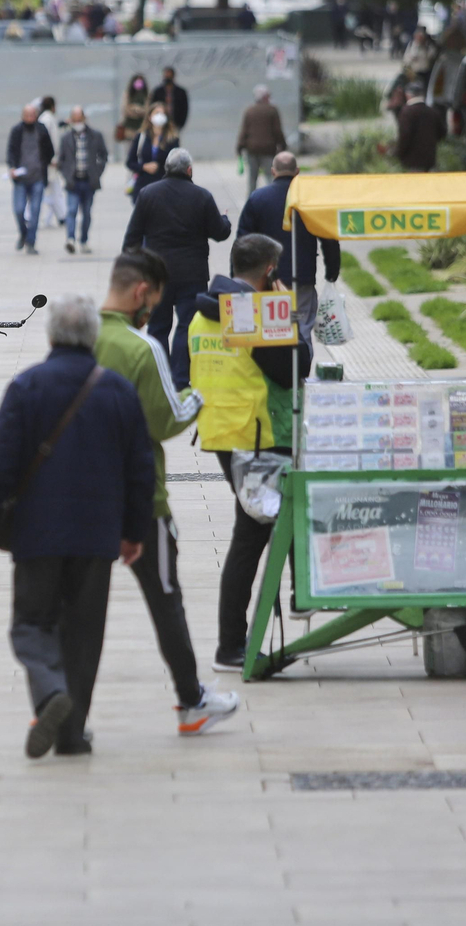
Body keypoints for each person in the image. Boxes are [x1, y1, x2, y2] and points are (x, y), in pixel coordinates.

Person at [0, 294, 155, 758]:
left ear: (51, 335)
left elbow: (0, 466)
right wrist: (135, 531)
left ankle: (51, 690)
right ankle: (71, 733)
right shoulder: (117, 390)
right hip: (96, 536)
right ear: (92, 336)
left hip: (37, 534)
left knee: (32, 624)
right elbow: (140, 469)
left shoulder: (28, 386)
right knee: (84, 632)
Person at [94, 250, 241, 735]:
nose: (153, 310)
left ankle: (66, 711)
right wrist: (198, 395)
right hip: (142, 502)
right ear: (143, 293)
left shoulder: (80, 337)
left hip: (83, 498)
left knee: (81, 610)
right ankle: (191, 701)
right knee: (166, 600)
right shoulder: (142, 348)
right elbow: (164, 419)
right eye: (155, 301)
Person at [185, 234, 311, 670]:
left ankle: (241, 639)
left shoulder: (203, 314)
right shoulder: (252, 314)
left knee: (253, 532)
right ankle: (233, 646)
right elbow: (298, 367)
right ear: (270, 271)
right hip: (257, 434)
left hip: (225, 431)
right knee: (250, 538)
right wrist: (287, 314)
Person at [122, 148, 231, 389]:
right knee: (187, 326)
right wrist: (225, 220)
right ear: (189, 170)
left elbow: (132, 237)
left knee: (158, 326)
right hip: (192, 274)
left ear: (166, 169)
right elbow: (219, 233)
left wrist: (131, 270)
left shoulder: (148, 194)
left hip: (156, 275)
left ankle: (159, 380)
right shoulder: (201, 196)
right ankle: (180, 379)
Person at [236, 151, 340, 346]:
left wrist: (238, 277)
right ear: (297, 171)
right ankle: (301, 373)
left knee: (272, 330)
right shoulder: (310, 201)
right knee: (302, 329)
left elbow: (243, 242)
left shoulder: (257, 199)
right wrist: (332, 272)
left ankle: (278, 373)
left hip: (267, 280)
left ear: (273, 171)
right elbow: (329, 237)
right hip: (302, 278)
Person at [57, 105, 107, 254]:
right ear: (71, 120)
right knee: (71, 210)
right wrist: (66, 175)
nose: (78, 122)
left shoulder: (95, 135)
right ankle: (70, 239)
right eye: (75, 119)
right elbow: (62, 160)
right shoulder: (66, 138)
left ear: (84, 119)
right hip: (73, 180)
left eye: (80, 119)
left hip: (89, 180)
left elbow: (103, 155)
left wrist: (97, 172)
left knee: (86, 212)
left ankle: (84, 240)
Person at [6, 102, 55, 254]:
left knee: (35, 212)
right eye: (27, 115)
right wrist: (13, 167)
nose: (29, 118)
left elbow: (50, 150)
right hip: (21, 178)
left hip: (37, 177)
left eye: (32, 115)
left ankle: (31, 242)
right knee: (19, 209)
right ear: (22, 116)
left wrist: (44, 164)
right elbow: (11, 151)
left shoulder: (41, 129)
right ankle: (23, 233)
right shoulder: (17, 130)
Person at [235, 84, 287, 192]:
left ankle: (251, 202)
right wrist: (283, 145)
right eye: (269, 95)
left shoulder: (249, 111)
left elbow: (244, 131)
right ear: (265, 97)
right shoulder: (272, 110)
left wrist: (239, 147)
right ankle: (273, 199)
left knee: (252, 179)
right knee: (270, 176)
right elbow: (277, 131)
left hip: (252, 149)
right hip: (268, 149)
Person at [125, 102, 178, 200]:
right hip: (143, 187)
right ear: (149, 117)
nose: (159, 116)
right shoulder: (141, 137)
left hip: (164, 187)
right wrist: (144, 167)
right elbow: (129, 162)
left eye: (162, 114)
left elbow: (176, 164)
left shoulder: (172, 139)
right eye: (156, 113)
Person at [394, 80, 441, 173]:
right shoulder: (432, 111)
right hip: (430, 160)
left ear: (407, 95)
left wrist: (399, 153)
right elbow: (442, 132)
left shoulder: (406, 112)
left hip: (412, 161)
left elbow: (404, 136)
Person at [36, 95, 65, 229]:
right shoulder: (46, 119)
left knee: (53, 190)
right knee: (49, 190)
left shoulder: (47, 118)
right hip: (48, 162)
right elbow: (46, 142)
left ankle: (60, 216)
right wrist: (51, 159)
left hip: (49, 161)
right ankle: (59, 217)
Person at [120, 72, 150, 152]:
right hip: (129, 128)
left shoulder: (146, 95)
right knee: (130, 150)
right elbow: (125, 110)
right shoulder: (128, 94)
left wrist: (134, 108)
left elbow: (147, 111)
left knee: (141, 150)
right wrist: (138, 110)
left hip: (142, 128)